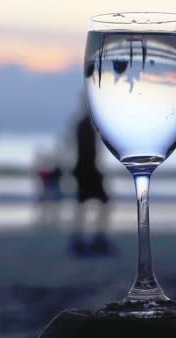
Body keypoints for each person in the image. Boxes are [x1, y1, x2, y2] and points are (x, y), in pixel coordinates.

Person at [70, 102, 113, 257]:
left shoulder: (85, 124)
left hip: (87, 169)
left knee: (87, 204)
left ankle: (88, 238)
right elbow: (86, 151)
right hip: (87, 170)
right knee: (93, 203)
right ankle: (88, 239)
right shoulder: (85, 125)